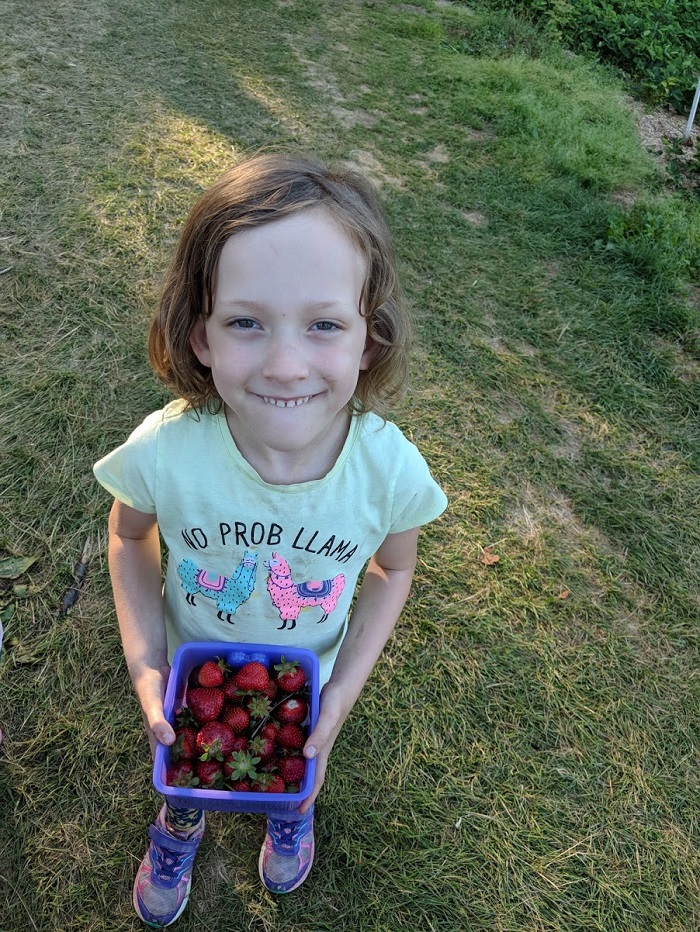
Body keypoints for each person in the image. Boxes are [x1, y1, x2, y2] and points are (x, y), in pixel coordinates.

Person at [94, 152, 447, 928]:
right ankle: (180, 822)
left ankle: (292, 811)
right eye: (246, 322)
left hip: (308, 685)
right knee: (187, 770)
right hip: (196, 678)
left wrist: (342, 693)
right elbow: (128, 539)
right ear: (202, 336)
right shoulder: (166, 451)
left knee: (300, 765)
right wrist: (147, 659)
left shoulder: (388, 470)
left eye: (323, 324)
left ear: (368, 339)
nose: (286, 365)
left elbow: (392, 570)